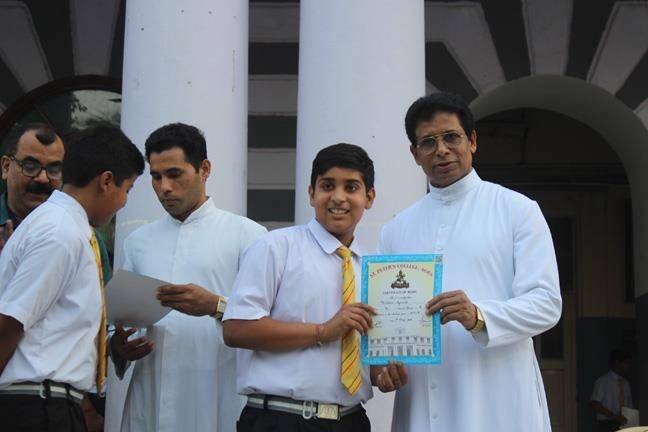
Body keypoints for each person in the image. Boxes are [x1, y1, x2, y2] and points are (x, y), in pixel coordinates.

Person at [379, 92, 562, 431]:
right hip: (421, 400)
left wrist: (479, 316)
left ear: (472, 141)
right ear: (415, 154)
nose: (442, 150)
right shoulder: (396, 230)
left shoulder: (517, 210)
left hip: (497, 397)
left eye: (451, 137)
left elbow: (546, 304)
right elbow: (388, 321)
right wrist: (385, 367)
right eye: (428, 142)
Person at [223, 143, 408, 432]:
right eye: (327, 185)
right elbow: (236, 329)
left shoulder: (374, 271)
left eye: (351, 187)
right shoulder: (275, 247)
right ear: (311, 193)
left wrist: (382, 375)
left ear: (369, 197)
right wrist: (322, 331)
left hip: (350, 421)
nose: (338, 197)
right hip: (281, 420)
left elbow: (366, 358)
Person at [105, 123, 267, 432]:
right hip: (149, 396)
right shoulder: (138, 242)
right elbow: (118, 325)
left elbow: (267, 320)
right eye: (156, 177)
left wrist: (216, 305)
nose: (164, 187)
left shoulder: (248, 236)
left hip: (217, 396)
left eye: (174, 174)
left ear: (204, 169)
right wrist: (119, 346)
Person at [0, 126, 144, 431]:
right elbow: (10, 321)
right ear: (106, 181)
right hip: (38, 408)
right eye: (127, 190)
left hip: (48, 403)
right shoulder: (60, 232)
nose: (124, 202)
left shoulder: (67, 227)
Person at [590, 349, 634, 431]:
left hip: (624, 423)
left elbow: (629, 405)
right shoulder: (603, 381)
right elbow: (595, 403)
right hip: (607, 424)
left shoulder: (626, 384)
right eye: (626, 363)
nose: (628, 366)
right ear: (617, 363)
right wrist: (614, 416)